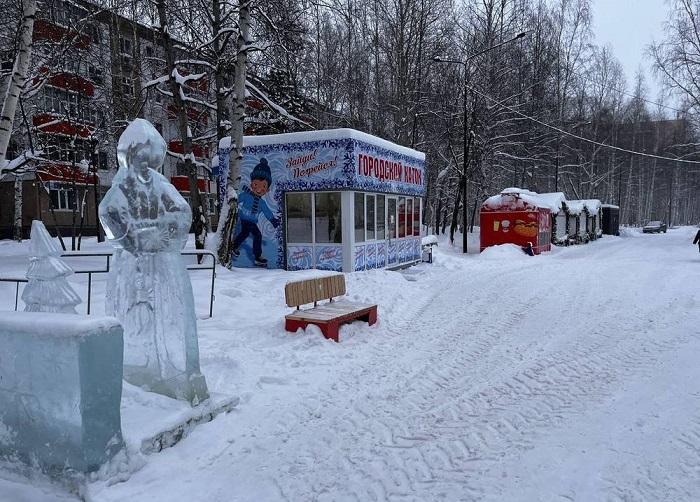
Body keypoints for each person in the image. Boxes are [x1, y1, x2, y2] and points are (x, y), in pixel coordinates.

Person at [232, 158, 280, 266]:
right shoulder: (246, 195)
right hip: (245, 219)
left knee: (255, 235)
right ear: (251, 184)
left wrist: (273, 220)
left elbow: (267, 211)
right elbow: (237, 199)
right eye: (256, 185)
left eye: (263, 186)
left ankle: (256, 256)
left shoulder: (261, 203)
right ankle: (235, 247)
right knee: (247, 233)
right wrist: (232, 206)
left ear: (267, 189)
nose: (259, 189)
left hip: (252, 221)